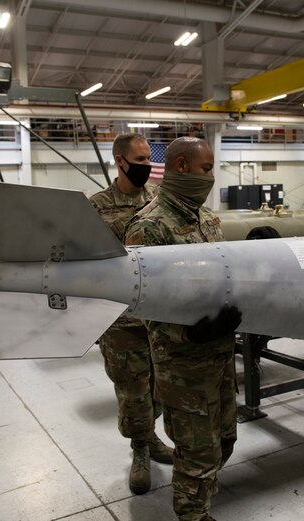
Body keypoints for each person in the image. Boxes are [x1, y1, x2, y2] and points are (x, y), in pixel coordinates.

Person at [124, 136, 241, 521]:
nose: (210, 176)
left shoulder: (205, 218)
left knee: (225, 439)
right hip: (183, 362)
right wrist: (189, 333)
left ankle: (202, 496)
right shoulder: (149, 226)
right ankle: (193, 514)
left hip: (220, 354)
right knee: (197, 451)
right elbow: (142, 301)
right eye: (206, 169)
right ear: (180, 167)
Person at [89, 133, 172, 495]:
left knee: (158, 385)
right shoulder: (96, 207)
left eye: (148, 158)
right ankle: (140, 448)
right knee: (132, 389)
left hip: (159, 314)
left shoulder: (159, 200)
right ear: (119, 161)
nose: (147, 165)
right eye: (139, 160)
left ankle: (150, 436)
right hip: (120, 319)